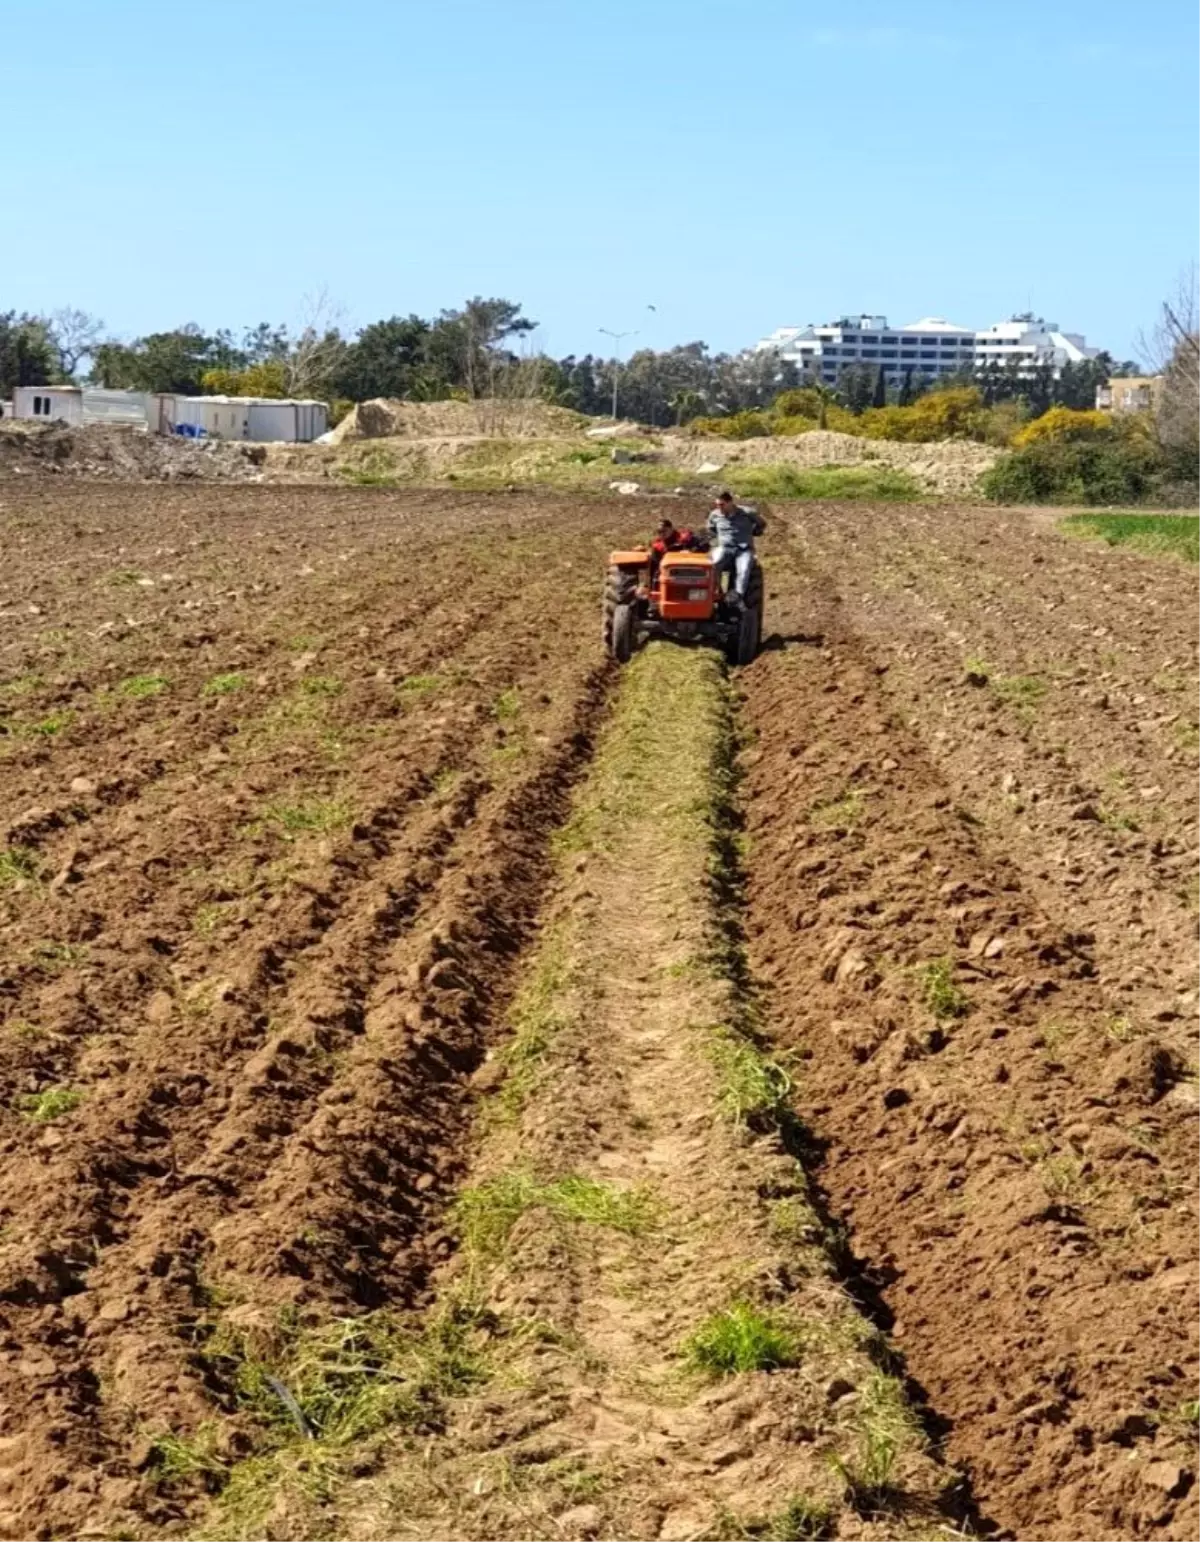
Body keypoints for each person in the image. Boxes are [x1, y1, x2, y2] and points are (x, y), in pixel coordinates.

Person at [706, 491, 765, 602]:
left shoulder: (747, 513)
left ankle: (737, 595)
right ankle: (717, 591)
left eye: (722, 505)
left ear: (730, 503)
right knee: (713, 564)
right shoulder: (715, 515)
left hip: (743, 548)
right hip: (725, 547)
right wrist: (718, 538)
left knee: (744, 568)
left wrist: (753, 532)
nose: (719, 508)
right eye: (717, 505)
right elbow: (711, 528)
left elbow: (761, 524)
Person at [648, 517, 700, 582]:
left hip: (688, 572)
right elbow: (654, 566)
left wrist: (691, 552)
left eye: (664, 531)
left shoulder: (684, 538)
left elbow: (701, 546)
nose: (661, 534)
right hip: (667, 573)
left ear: (671, 529)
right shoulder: (657, 545)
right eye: (659, 531)